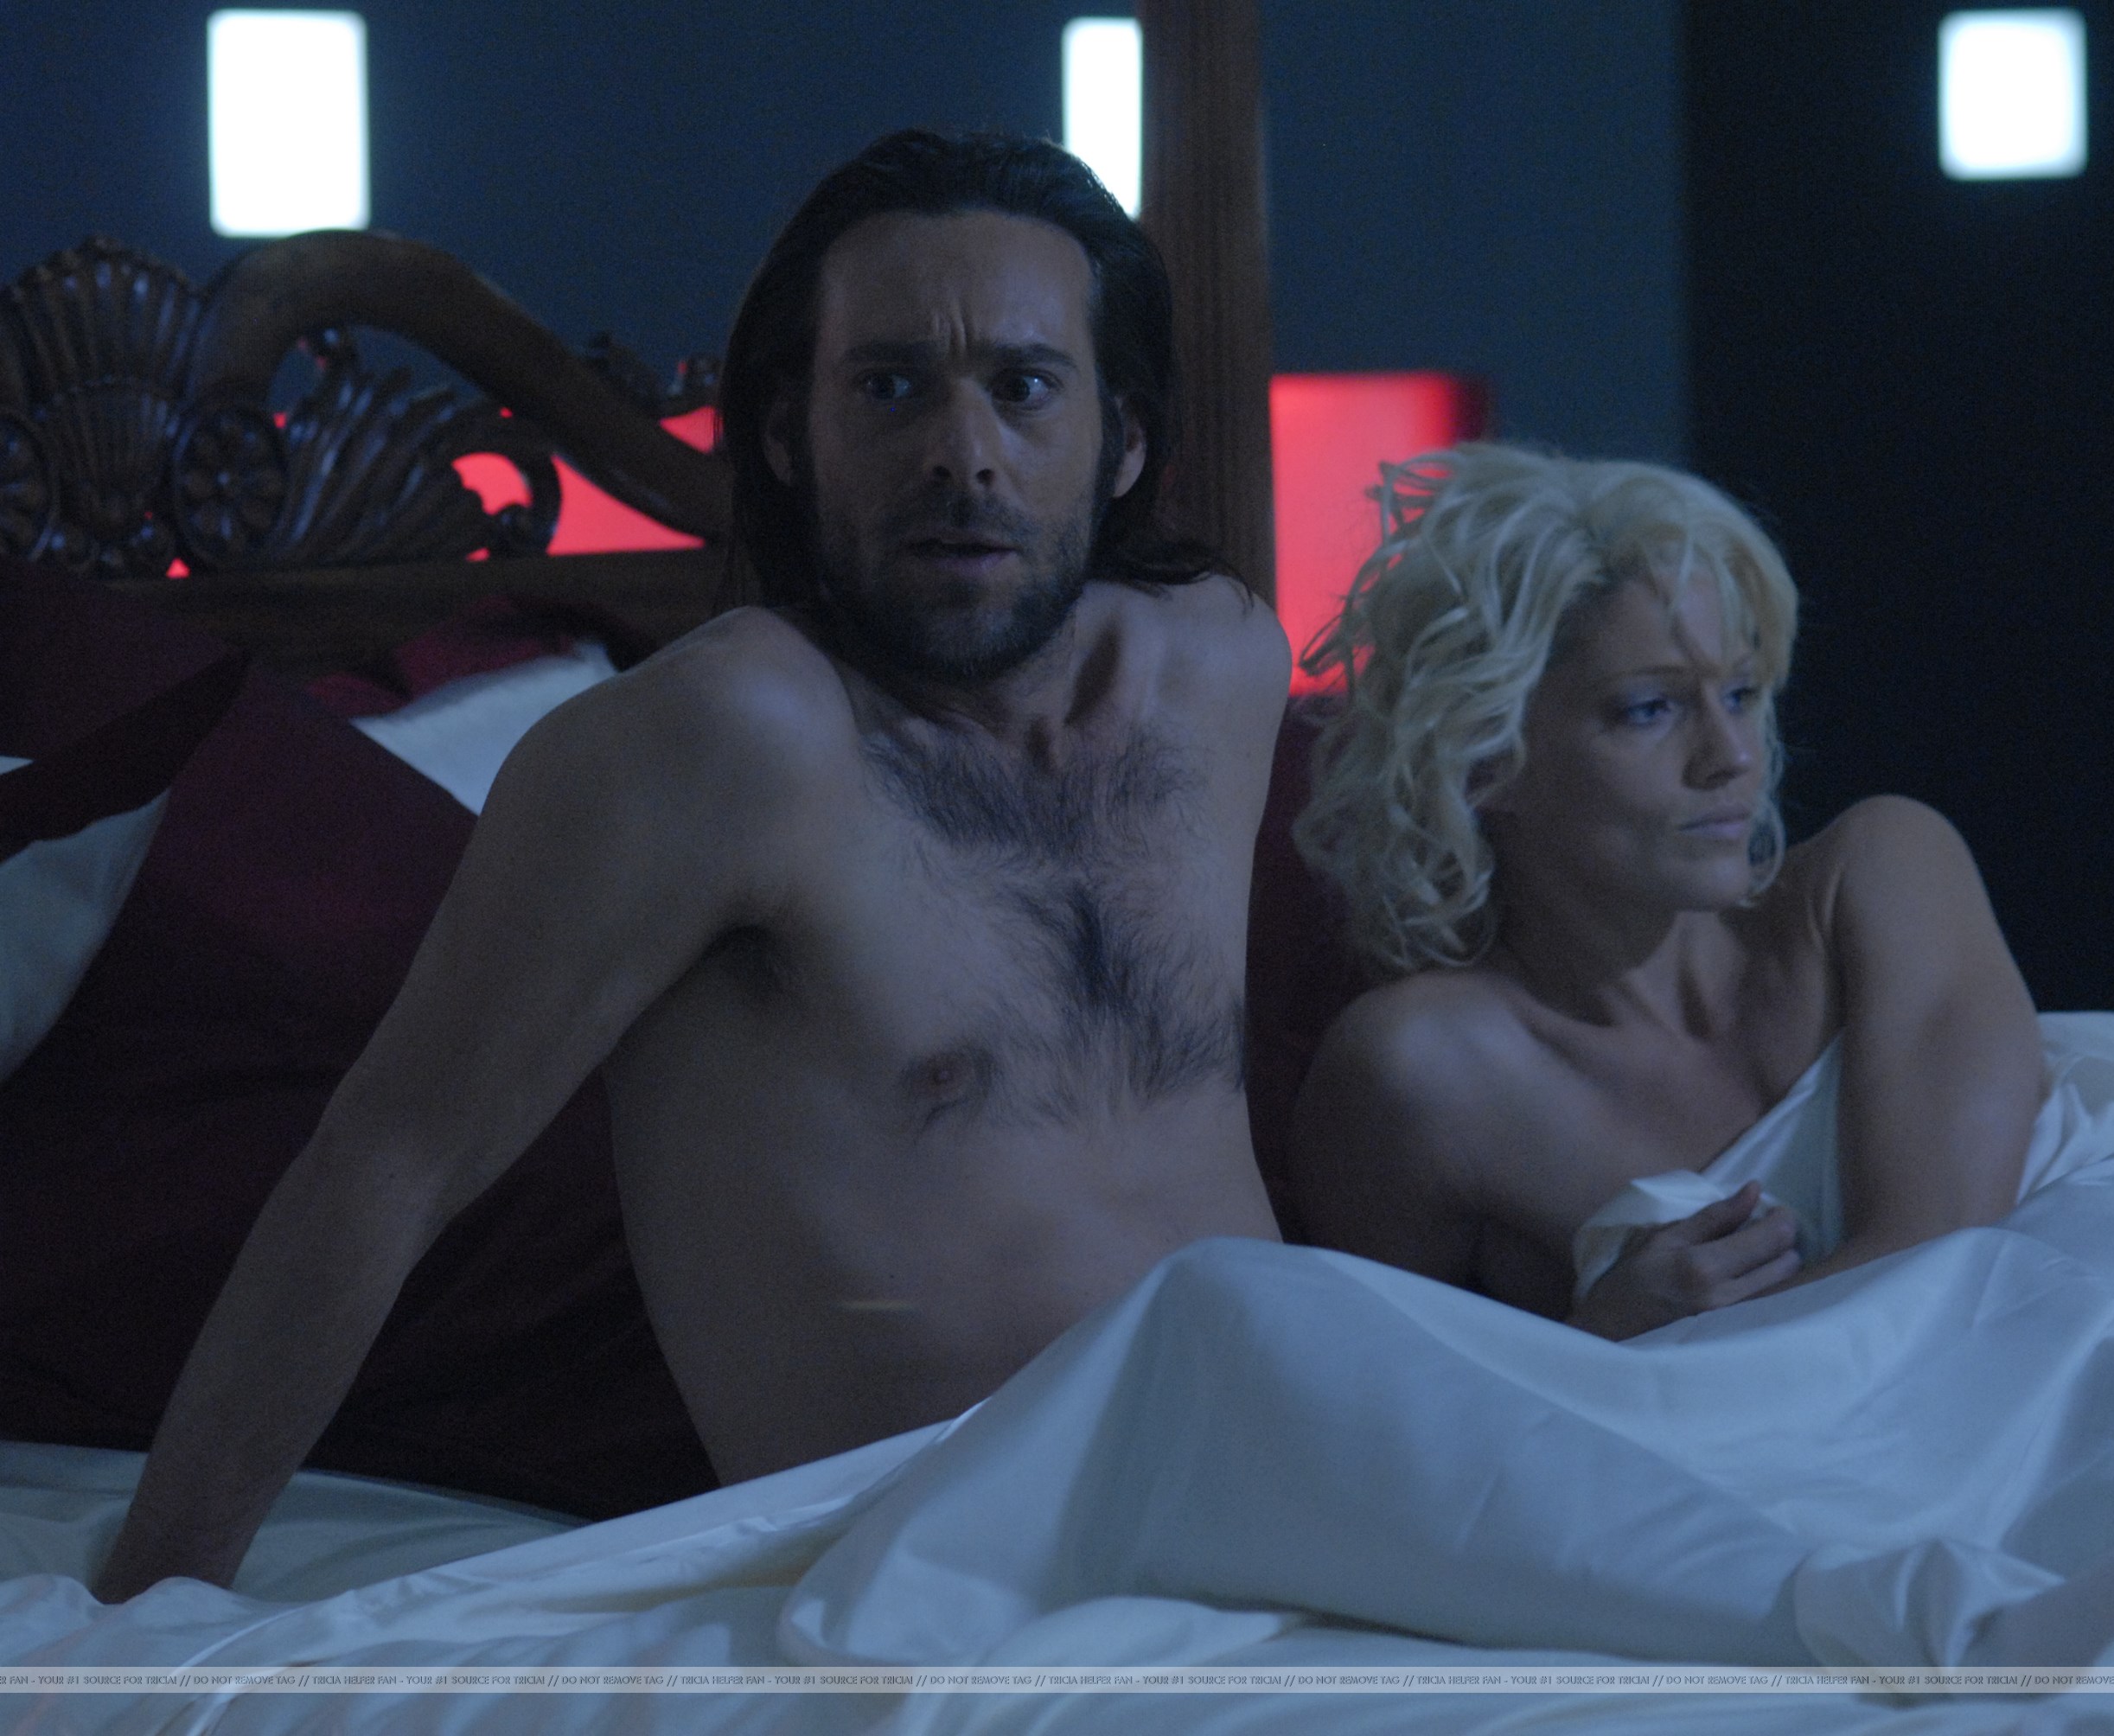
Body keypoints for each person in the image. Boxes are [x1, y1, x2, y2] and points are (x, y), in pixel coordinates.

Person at [95, 131, 1289, 1601]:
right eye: (891, 386)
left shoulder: (1219, 668)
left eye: (1025, 387)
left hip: (1278, 1471)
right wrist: (147, 1606)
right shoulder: (723, 743)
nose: (962, 452)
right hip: (963, 1555)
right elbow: (389, 1161)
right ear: (787, 436)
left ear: (1126, 442)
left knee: (1575, 1456)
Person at [1287, 444, 2043, 1340]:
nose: (1732, 756)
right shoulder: (1420, 1073)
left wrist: (1660, 1357)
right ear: (1485, 757)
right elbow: (1382, 1404)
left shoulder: (1882, 877)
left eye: (1741, 693)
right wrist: (1601, 1336)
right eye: (1651, 708)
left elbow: (1944, 1273)